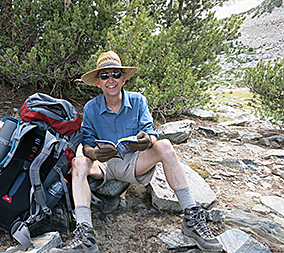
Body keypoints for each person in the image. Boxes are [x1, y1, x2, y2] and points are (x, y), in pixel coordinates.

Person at [49, 51, 222, 253]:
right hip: (104, 165)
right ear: (98, 83)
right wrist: (94, 154)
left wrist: (147, 141)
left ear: (123, 79)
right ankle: (85, 235)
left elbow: (151, 133)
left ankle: (192, 216)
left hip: (134, 161)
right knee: (78, 162)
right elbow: (87, 144)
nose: (110, 80)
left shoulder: (138, 101)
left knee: (165, 145)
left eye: (115, 74)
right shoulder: (90, 108)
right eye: (104, 76)